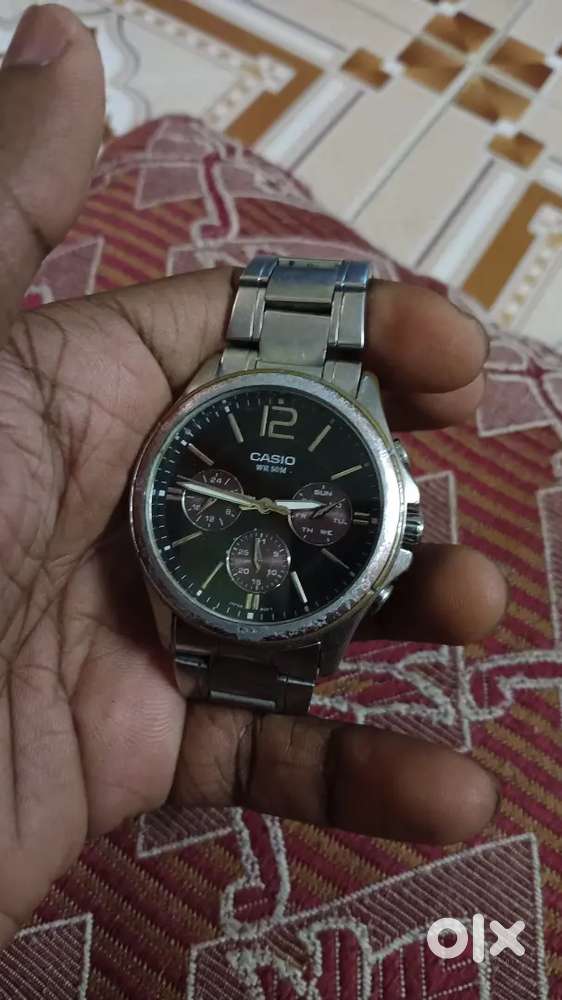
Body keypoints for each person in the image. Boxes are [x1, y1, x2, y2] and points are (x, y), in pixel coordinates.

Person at [0, 4, 508, 950]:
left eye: (294, 502)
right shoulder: (193, 435)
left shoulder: (345, 493)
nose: (271, 503)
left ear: (396, 516)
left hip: (270, 596)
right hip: (189, 590)